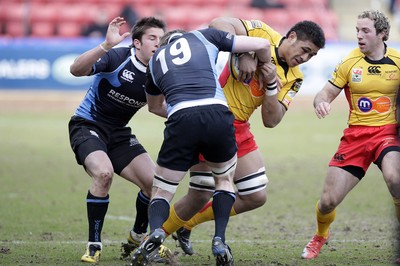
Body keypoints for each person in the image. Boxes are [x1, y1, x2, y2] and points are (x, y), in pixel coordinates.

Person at [161, 17, 326, 256]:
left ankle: (187, 225)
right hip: (212, 115)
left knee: (256, 196)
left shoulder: (296, 78)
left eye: (311, 56)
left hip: (239, 127)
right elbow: (218, 24)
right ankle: (151, 240)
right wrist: (245, 50)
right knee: (199, 194)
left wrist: (271, 85)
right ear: (291, 37)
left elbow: (271, 120)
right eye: (305, 50)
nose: (305, 58)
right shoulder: (262, 34)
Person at [130, 27, 275, 266]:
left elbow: (155, 107)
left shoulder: (155, 60)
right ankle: (219, 239)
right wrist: (262, 66)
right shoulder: (204, 35)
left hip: (181, 118)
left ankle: (156, 230)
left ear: (164, 43)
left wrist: (183, 111)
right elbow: (262, 45)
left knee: (162, 190)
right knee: (224, 182)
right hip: (217, 114)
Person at [300, 10, 400, 260]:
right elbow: (323, 94)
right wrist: (321, 103)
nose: (359, 36)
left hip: (388, 133)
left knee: (395, 177)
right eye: (357, 30)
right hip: (356, 136)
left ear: (382, 34)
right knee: (327, 202)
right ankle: (321, 234)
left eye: (365, 31)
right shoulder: (349, 62)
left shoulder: (398, 61)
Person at [68, 16, 167, 263]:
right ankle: (94, 245)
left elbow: (158, 108)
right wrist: (105, 45)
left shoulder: (160, 71)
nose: (158, 43)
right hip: (87, 125)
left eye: (161, 39)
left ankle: (138, 236)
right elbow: (75, 69)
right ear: (136, 43)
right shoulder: (118, 57)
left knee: (155, 184)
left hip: (119, 132)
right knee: (103, 174)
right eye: (152, 38)